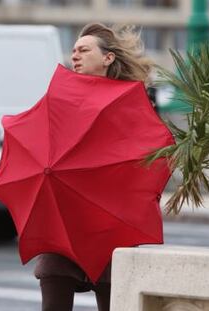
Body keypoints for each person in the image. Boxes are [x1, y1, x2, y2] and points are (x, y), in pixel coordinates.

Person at [34, 22, 155, 311]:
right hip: (63, 225)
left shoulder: (130, 101)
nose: (75, 55)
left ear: (107, 58)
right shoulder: (60, 98)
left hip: (110, 226)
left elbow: (145, 157)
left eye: (84, 50)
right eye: (73, 50)